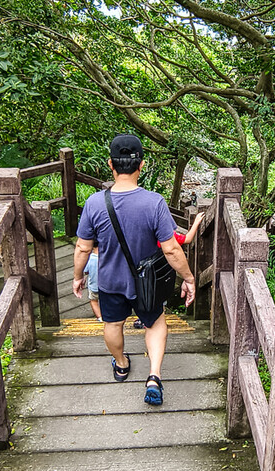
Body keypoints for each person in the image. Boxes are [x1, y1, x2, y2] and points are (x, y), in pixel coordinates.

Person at [72, 134, 196, 405]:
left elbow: (83, 248)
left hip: (110, 281)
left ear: (110, 164)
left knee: (113, 323)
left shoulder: (94, 203)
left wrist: (78, 276)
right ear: (141, 165)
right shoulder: (154, 202)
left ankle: (121, 364)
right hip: (147, 283)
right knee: (155, 322)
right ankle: (154, 376)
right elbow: (172, 249)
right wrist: (188, 278)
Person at [132, 211, 204, 329]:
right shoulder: (167, 236)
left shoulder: (144, 233)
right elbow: (187, 239)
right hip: (163, 270)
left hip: (145, 269)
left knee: (144, 292)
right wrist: (196, 222)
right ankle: (157, 319)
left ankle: (144, 318)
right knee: (159, 296)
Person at [83, 246, 102, 321]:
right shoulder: (108, 257)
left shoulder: (89, 258)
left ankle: (100, 317)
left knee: (94, 301)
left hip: (94, 286)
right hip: (108, 286)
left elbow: (86, 271)